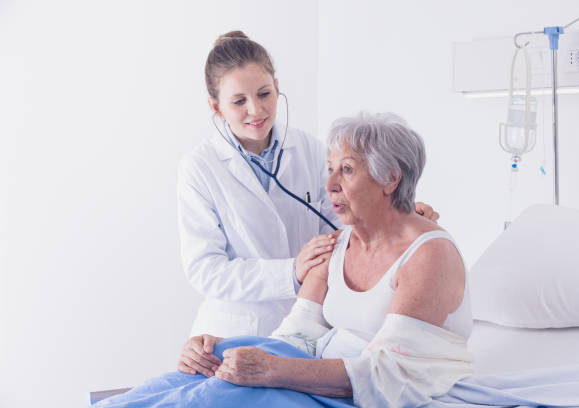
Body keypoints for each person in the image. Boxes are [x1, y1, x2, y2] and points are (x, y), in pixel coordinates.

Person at [95, 112, 470, 407]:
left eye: (348, 169)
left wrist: (274, 370)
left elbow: (390, 374)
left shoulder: (429, 255)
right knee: (190, 380)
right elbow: (297, 336)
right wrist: (217, 347)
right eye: (330, 168)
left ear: (390, 178)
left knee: (218, 397)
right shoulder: (337, 245)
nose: (329, 185)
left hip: (361, 394)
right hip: (314, 379)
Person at [177, 31, 439, 342]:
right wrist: (290, 272)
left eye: (264, 94)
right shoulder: (200, 168)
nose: (256, 110)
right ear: (216, 107)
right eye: (238, 101)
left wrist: (401, 219)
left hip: (312, 323)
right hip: (234, 331)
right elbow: (206, 269)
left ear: (277, 87)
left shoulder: (310, 149)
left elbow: (346, 223)